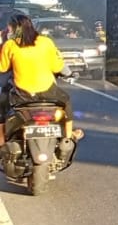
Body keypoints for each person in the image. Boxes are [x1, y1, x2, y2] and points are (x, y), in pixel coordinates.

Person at [0, 14, 80, 143]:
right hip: (47, 92)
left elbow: (3, 68)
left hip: (22, 94)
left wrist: (3, 43)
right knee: (66, 102)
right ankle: (69, 136)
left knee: (2, 107)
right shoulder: (45, 42)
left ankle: (1, 140)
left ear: (13, 28)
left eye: (9, 27)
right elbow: (57, 66)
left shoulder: (10, 45)